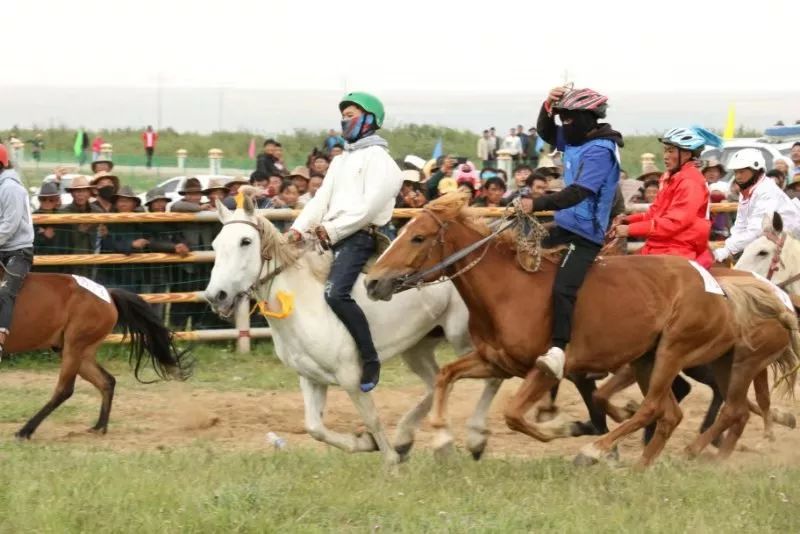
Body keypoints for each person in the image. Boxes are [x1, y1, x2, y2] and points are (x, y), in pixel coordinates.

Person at [287, 92, 403, 392]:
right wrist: (298, 229)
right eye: (344, 115)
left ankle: (370, 358)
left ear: (370, 119)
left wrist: (333, 230)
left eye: (351, 114)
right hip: (329, 234)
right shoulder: (340, 161)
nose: (345, 120)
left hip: (360, 237)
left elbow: (367, 209)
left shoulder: (383, 162)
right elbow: (320, 200)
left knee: (335, 294)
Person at [520, 86, 622, 380]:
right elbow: (544, 130)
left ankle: (558, 350)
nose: (564, 123)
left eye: (569, 118)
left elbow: (579, 192)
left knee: (563, 288)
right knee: (517, 249)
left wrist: (537, 203)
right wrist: (547, 103)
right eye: (562, 117)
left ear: (589, 117)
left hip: (587, 235)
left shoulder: (601, 150)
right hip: (564, 226)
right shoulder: (576, 138)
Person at [614, 127, 716, 267]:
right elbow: (654, 213)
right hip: (660, 246)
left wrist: (629, 229)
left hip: (678, 250)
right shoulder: (670, 177)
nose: (665, 156)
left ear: (686, 154)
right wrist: (625, 220)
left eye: (670, 151)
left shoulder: (690, 182)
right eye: (665, 150)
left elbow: (674, 223)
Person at [712, 148, 800, 264]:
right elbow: (741, 224)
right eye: (736, 172)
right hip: (775, 242)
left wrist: (727, 250)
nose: (738, 176)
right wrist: (728, 248)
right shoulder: (747, 190)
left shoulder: (766, 190)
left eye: (742, 171)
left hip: (793, 244)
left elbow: (756, 229)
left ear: (756, 171)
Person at [0, 144, 35, 359]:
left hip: (18, 251)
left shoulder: (11, 189)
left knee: (5, 291)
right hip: (3, 247)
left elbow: (10, 225)